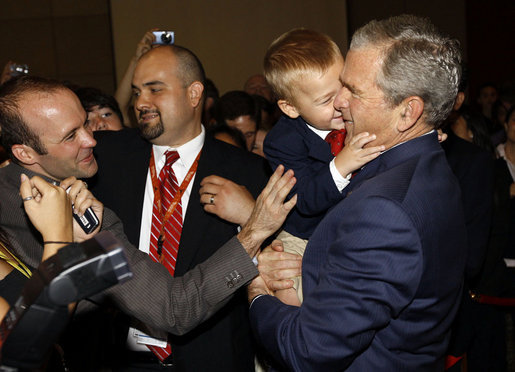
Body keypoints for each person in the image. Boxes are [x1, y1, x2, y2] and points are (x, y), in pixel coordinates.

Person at [0, 75, 300, 370]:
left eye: (85, 123)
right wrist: (254, 231)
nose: (91, 139)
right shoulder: (76, 218)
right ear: (24, 153)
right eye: (70, 135)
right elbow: (174, 308)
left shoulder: (34, 189)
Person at [248, 14, 468, 371]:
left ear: (407, 113)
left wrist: (257, 290)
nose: (339, 102)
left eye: (353, 90)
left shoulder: (385, 212)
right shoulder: (429, 162)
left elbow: (309, 349)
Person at [90, 45, 279, 370]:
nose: (140, 103)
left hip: (214, 356)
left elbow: (281, 264)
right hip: (121, 354)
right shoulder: (106, 156)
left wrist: (250, 217)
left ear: (194, 94)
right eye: (136, 91)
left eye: (154, 89)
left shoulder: (249, 171)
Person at [262, 28, 383, 304]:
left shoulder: (356, 110)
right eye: (326, 100)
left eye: (345, 88)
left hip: (356, 229)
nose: (342, 102)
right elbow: (305, 200)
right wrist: (342, 165)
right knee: (289, 288)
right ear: (290, 107)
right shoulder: (282, 142)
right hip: (305, 235)